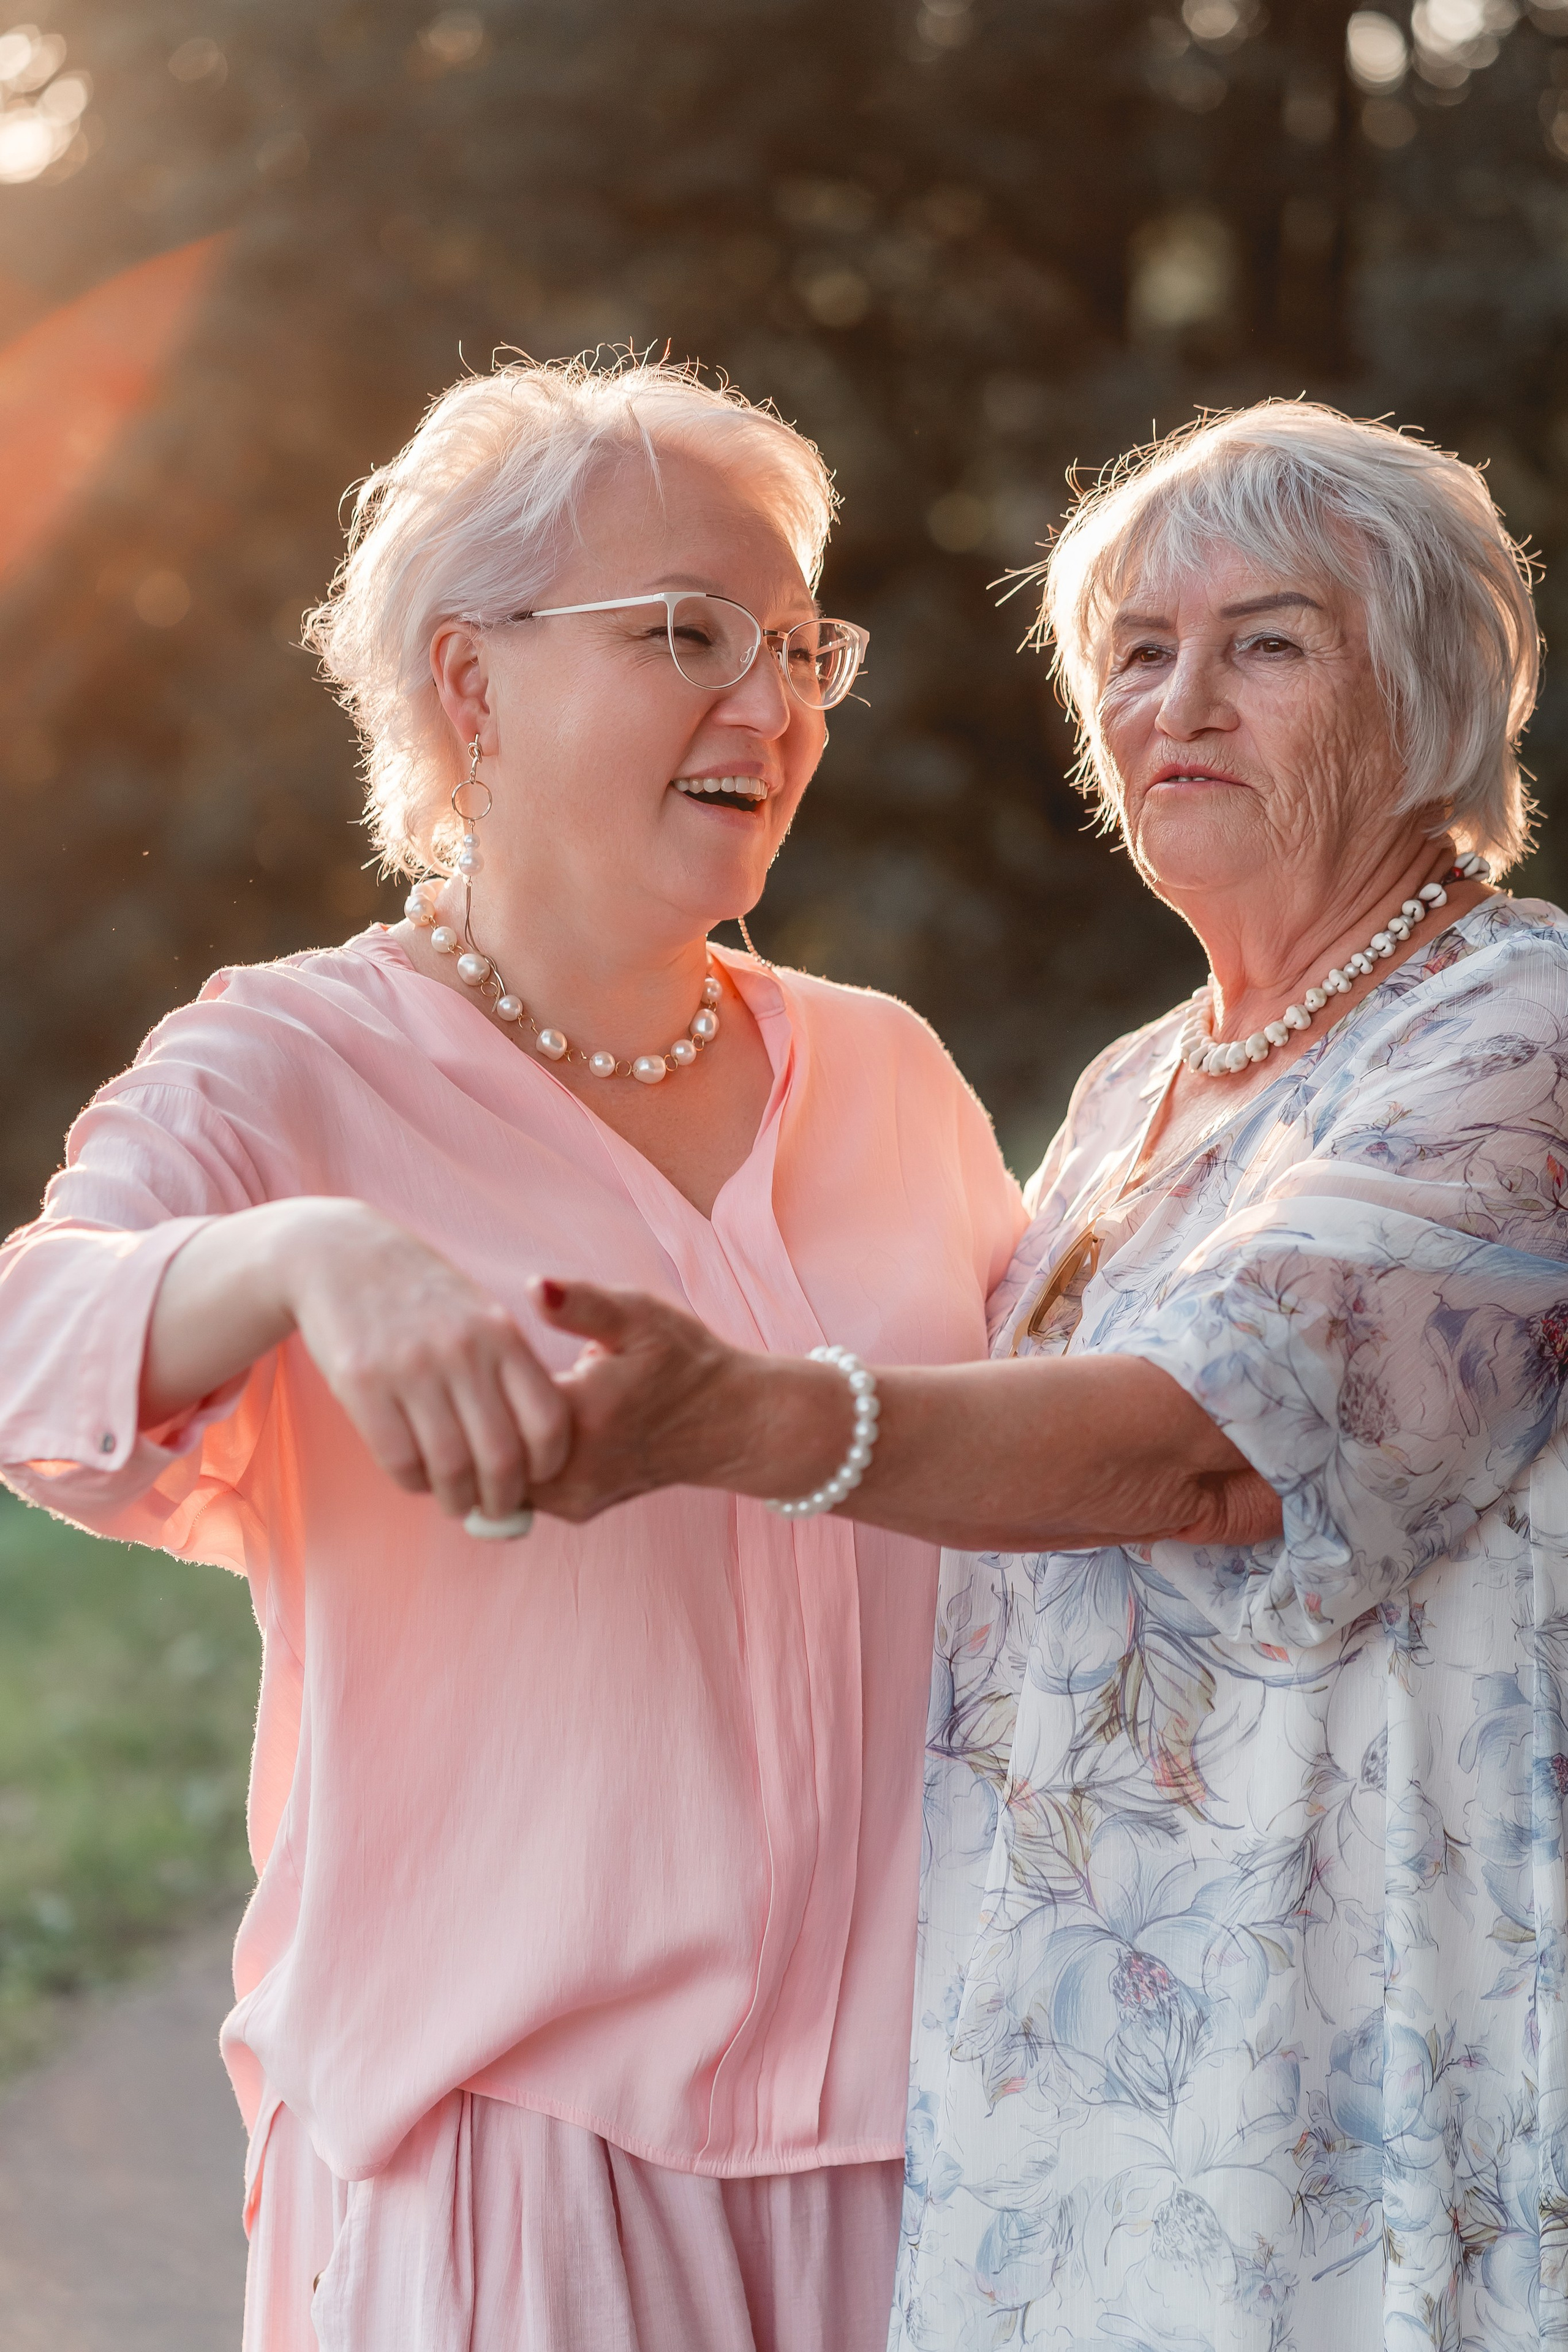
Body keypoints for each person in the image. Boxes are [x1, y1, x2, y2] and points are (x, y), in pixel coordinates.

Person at [0, 355, 1029, 2351]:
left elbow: (1053, 1495)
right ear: (471, 688)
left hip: (940, 2164)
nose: (776, 704)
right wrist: (307, 1254)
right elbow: (29, 1343)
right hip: (507, 2174)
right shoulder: (289, 1061)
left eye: (802, 643)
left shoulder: (895, 1073)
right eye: (688, 637)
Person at [519, 403, 1568, 2350]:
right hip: (1078, 2081)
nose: (1182, 700)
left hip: (1363, 2064)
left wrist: (749, 1417)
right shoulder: (1132, 1087)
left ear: (1429, 691)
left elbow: (1196, 1448)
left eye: (1267, 641)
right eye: (1137, 655)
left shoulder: (1523, 1024)